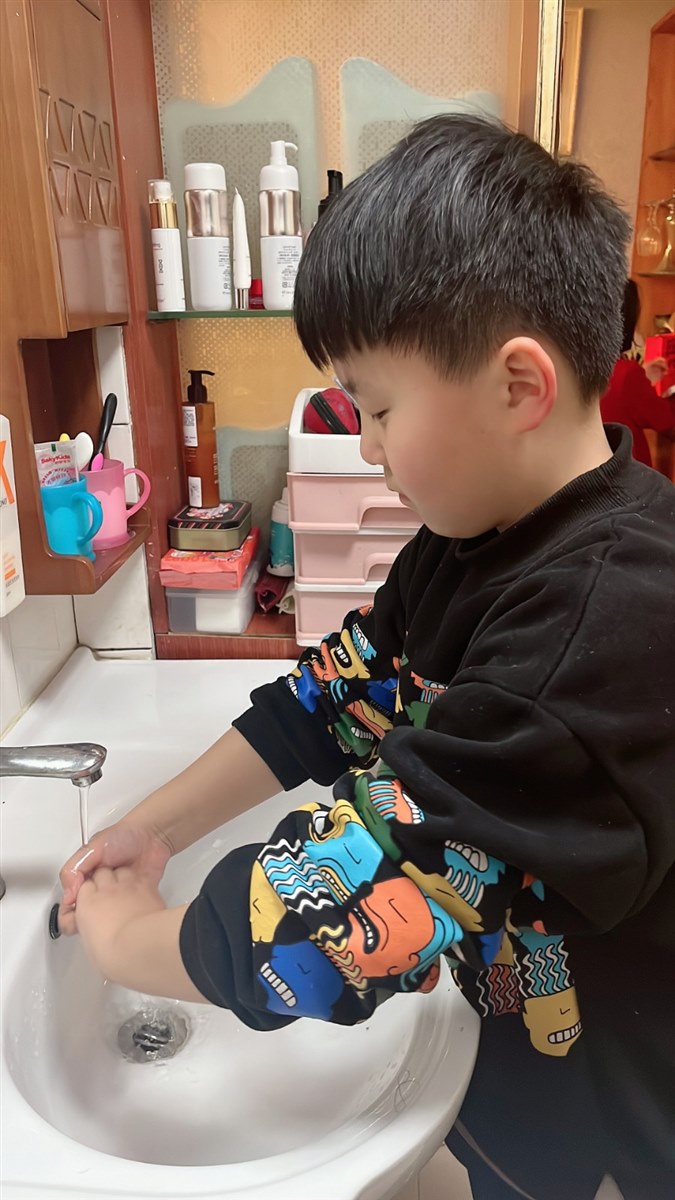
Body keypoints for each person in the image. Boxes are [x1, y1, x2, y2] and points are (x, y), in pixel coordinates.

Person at [58, 116, 675, 1199]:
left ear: (518, 386)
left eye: (380, 407)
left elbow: (333, 924)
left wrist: (125, 943)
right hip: (517, 1059)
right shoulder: (473, 539)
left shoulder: (602, 627)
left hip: (617, 1123)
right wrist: (154, 829)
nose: (369, 447)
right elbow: (330, 699)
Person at [600, 278, 675, 467]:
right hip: (625, 476)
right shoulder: (627, 375)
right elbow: (667, 421)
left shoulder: (578, 368)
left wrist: (643, 377)